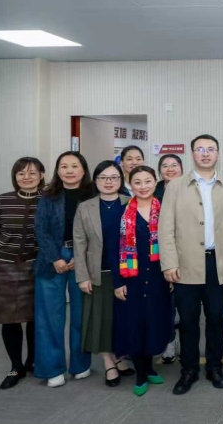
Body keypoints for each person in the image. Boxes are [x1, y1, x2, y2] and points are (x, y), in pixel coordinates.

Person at [160, 134, 223, 395]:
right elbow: (165, 228)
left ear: (218, 154)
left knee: (216, 318)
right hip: (186, 264)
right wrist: (169, 262)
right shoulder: (175, 186)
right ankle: (189, 370)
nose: (205, 154)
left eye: (210, 149)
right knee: (189, 320)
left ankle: (215, 367)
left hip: (218, 263)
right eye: (200, 149)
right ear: (192, 154)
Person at [34, 151, 94, 388]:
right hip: (52, 259)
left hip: (84, 257)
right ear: (57, 171)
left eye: (75, 166)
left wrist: (81, 257)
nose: (69, 170)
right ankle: (52, 369)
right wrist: (55, 258)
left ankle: (80, 364)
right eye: (64, 166)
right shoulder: (48, 196)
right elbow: (41, 229)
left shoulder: (93, 194)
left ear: (83, 169)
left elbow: (97, 230)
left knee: (81, 314)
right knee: (50, 316)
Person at [113, 166, 173, 396]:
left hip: (158, 277)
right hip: (132, 278)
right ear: (130, 184)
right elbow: (113, 249)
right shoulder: (122, 212)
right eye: (137, 182)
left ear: (155, 182)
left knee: (154, 323)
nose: (143, 186)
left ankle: (149, 367)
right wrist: (118, 282)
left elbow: (173, 242)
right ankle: (140, 374)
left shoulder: (165, 208)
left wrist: (171, 272)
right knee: (135, 324)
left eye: (148, 181)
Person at [0, 157, 45, 389]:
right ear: (15, 177)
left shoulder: (48, 201)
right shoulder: (2, 201)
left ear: (41, 175)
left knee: (34, 317)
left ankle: (32, 360)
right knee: (9, 319)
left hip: (36, 265)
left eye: (32, 173)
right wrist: (10, 253)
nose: (26, 177)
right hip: (6, 266)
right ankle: (15, 365)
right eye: (21, 173)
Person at [72, 161, 131, 387]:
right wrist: (82, 276)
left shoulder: (130, 202)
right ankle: (108, 362)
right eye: (103, 177)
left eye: (114, 177)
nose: (108, 182)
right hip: (98, 272)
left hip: (126, 272)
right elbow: (79, 243)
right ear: (95, 181)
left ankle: (119, 357)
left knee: (122, 318)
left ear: (121, 180)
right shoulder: (85, 207)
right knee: (102, 319)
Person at [153, 153, 183, 364]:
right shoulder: (153, 192)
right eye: (165, 165)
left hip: (189, 253)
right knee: (167, 304)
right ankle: (169, 342)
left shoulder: (191, 188)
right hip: (160, 253)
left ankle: (187, 344)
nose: (170, 169)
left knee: (187, 305)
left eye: (174, 165)